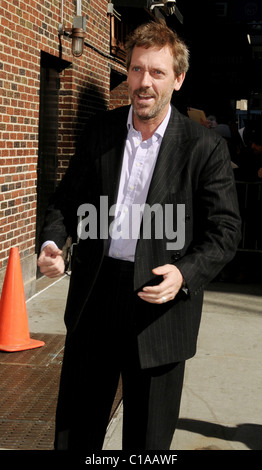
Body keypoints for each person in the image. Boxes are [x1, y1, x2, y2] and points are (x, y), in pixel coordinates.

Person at [37, 20, 241, 451]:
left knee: (147, 443)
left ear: (179, 79)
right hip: (95, 299)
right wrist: (54, 243)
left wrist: (184, 274)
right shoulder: (101, 132)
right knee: (75, 433)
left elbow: (225, 230)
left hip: (160, 308)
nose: (143, 82)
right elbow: (66, 201)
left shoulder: (204, 148)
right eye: (135, 70)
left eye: (157, 72)